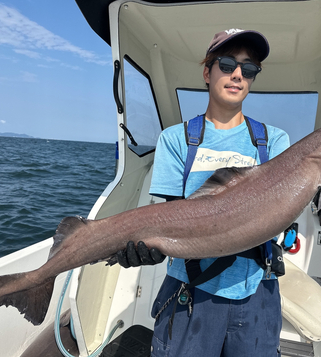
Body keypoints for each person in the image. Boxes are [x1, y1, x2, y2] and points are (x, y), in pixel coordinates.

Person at [117, 28, 290, 356]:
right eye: (227, 64)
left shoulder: (274, 140)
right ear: (207, 72)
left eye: (248, 69)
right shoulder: (176, 139)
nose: (237, 74)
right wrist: (148, 246)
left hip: (258, 288)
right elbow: (173, 219)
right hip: (190, 290)